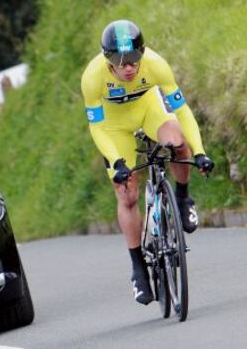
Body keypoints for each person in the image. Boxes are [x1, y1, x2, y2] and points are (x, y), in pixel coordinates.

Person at [81, 20, 214, 305]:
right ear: (108, 60)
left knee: (179, 144)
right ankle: (138, 266)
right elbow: (98, 127)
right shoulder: (92, 77)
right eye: (120, 61)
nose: (128, 67)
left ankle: (182, 199)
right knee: (126, 192)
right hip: (114, 129)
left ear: (142, 53)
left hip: (148, 111)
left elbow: (181, 109)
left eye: (133, 59)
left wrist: (200, 151)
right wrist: (117, 162)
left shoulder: (156, 64)